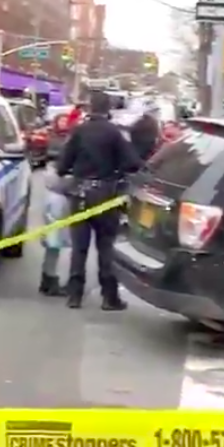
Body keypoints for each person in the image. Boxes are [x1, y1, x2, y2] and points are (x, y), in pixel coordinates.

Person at [56, 90, 142, 310]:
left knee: (79, 247)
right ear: (108, 109)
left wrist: (73, 171)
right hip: (105, 194)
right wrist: (117, 170)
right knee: (106, 246)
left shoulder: (79, 131)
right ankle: (109, 297)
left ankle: (74, 295)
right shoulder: (114, 133)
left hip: (79, 194)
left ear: (90, 108)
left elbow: (62, 165)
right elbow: (133, 163)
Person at [38, 163, 71, 297]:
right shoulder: (58, 195)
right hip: (56, 214)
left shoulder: (51, 191)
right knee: (54, 248)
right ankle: (51, 281)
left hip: (52, 209)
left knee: (51, 250)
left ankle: (47, 280)